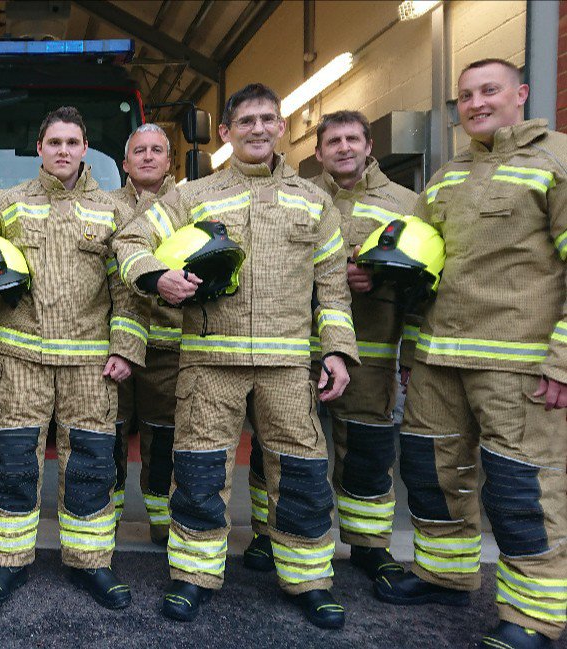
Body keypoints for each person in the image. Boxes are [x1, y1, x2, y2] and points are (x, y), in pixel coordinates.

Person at [115, 83, 358, 629]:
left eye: (268, 119)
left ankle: (309, 580)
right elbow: (130, 240)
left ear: (281, 127)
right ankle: (193, 575)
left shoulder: (314, 201)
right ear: (225, 132)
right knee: (200, 471)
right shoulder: (192, 196)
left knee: (299, 473)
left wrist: (338, 351)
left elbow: (333, 289)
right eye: (245, 121)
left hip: (288, 366)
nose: (257, 129)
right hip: (209, 363)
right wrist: (159, 277)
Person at [373, 58, 567, 649]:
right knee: (434, 476)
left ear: (521, 94)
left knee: (521, 488)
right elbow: (421, 265)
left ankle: (533, 617)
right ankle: (446, 572)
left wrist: (562, 359)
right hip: (436, 358)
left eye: (490, 91)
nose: (477, 103)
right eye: (466, 96)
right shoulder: (450, 174)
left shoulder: (554, 162)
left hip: (517, 361)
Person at [0, 106, 149, 610]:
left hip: (91, 364)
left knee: (92, 465)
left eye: (73, 142)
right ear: (40, 149)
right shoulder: (8, 203)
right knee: (12, 463)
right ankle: (7, 563)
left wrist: (126, 348)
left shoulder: (113, 209)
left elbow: (127, 289)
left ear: (86, 147)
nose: (64, 151)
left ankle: (92, 564)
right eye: (54, 142)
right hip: (19, 359)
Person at [244, 111, 417, 579]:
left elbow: (425, 282)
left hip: (371, 350)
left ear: (368, 144)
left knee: (366, 449)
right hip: (296, 350)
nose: (343, 147)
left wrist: (380, 276)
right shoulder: (297, 197)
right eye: (333, 141)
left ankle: (368, 545)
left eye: (352, 139)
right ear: (317, 152)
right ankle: (267, 531)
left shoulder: (407, 204)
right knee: (276, 446)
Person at [110, 123, 181, 545]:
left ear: (170, 161)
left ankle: (162, 520)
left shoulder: (190, 204)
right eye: (139, 150)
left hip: (168, 341)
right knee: (109, 432)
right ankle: (107, 517)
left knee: (164, 434)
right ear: (125, 162)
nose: (149, 157)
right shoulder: (103, 206)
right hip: (113, 342)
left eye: (157, 150)